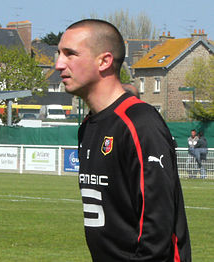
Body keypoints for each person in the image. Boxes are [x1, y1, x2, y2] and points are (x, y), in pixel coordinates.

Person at [56, 19, 191, 262]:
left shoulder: (140, 123)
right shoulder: (88, 126)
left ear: (104, 61)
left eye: (70, 54)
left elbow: (156, 230)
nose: (58, 64)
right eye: (58, 53)